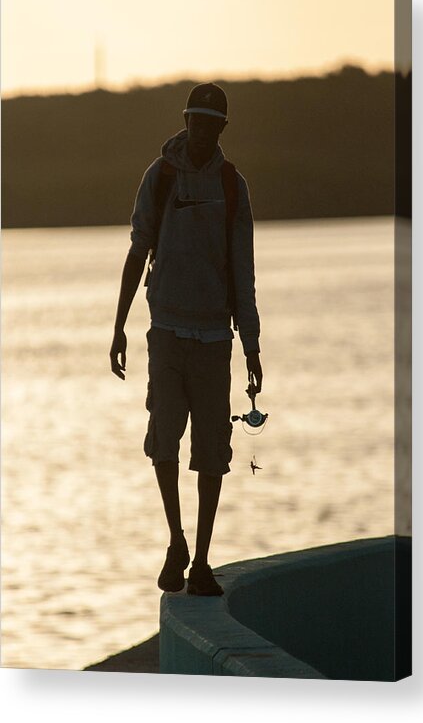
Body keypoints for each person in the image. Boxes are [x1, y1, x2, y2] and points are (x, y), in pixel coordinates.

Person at [110, 82, 262, 596]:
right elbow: (137, 252)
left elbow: (243, 271)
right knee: (163, 440)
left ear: (221, 129)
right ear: (186, 121)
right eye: (193, 121)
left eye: (209, 124)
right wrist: (118, 327)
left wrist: (253, 345)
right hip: (167, 331)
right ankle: (175, 540)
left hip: (215, 336)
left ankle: (200, 560)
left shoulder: (232, 185)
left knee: (213, 451)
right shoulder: (160, 177)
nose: (199, 131)